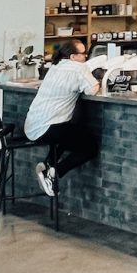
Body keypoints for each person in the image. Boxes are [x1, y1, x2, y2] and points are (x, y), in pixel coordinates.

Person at [24, 40, 100, 196]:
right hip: (50, 128)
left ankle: (48, 164)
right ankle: (55, 173)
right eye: (83, 53)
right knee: (90, 146)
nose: (86, 56)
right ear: (73, 56)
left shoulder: (55, 66)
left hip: (32, 126)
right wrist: (98, 82)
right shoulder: (79, 68)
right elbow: (92, 90)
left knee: (72, 130)